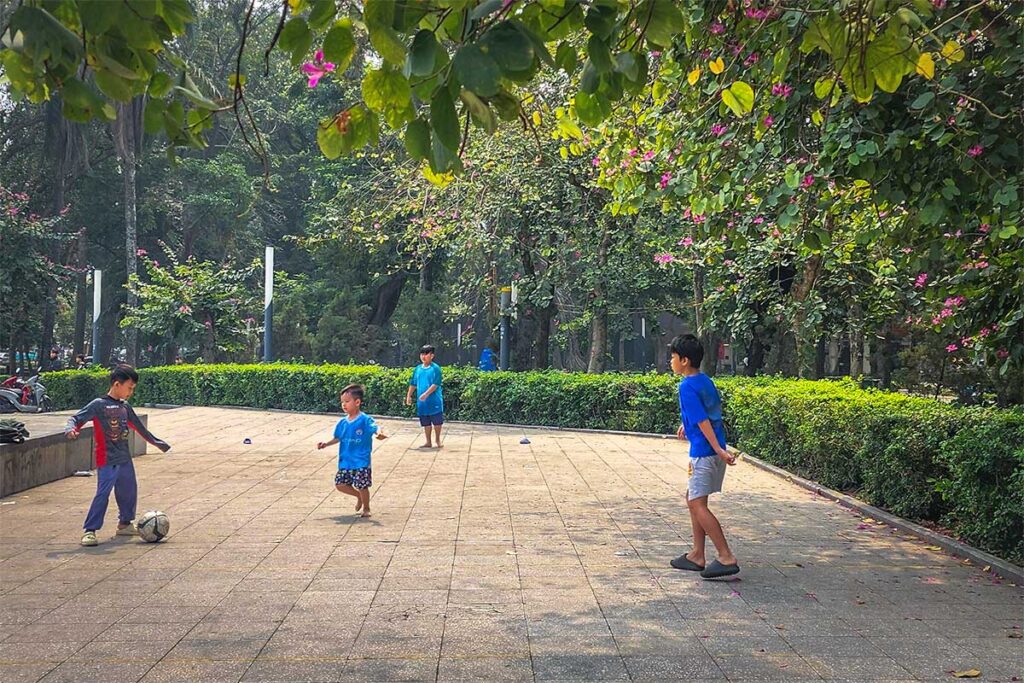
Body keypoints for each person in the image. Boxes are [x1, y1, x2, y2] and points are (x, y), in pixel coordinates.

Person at [66, 364, 171, 546]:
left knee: (129, 491)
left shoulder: (125, 407)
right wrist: (71, 430)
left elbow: (139, 427)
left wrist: (158, 443)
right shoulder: (99, 405)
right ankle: (90, 530)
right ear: (117, 384)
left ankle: (124, 524)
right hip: (106, 458)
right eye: (129, 388)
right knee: (103, 493)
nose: (131, 392)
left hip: (124, 457)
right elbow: (75, 419)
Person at [668, 334, 740, 579]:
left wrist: (719, 450)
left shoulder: (686, 386)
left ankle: (725, 556)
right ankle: (697, 554)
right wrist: (685, 425)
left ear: (685, 360)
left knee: (697, 504)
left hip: (705, 452)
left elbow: (702, 420)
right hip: (713, 449)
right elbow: (705, 412)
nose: (671, 361)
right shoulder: (704, 381)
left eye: (674, 357)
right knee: (693, 499)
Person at [317, 384, 386, 517]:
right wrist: (326, 444)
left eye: (347, 401)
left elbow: (375, 428)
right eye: (342, 402)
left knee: (362, 486)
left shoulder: (365, 420)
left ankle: (366, 508)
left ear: (357, 402)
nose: (344, 405)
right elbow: (338, 438)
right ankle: (358, 496)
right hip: (346, 461)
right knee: (340, 484)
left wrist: (379, 434)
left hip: (361, 460)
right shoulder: (342, 423)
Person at [406, 344, 444, 449]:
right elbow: (413, 383)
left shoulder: (436, 369)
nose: (423, 356)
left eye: (426, 354)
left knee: (437, 422)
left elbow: (436, 384)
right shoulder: (418, 369)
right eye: (422, 354)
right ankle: (428, 441)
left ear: (432, 356)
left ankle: (437, 439)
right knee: (426, 422)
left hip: (434, 400)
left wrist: (426, 394)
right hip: (422, 402)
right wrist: (409, 396)